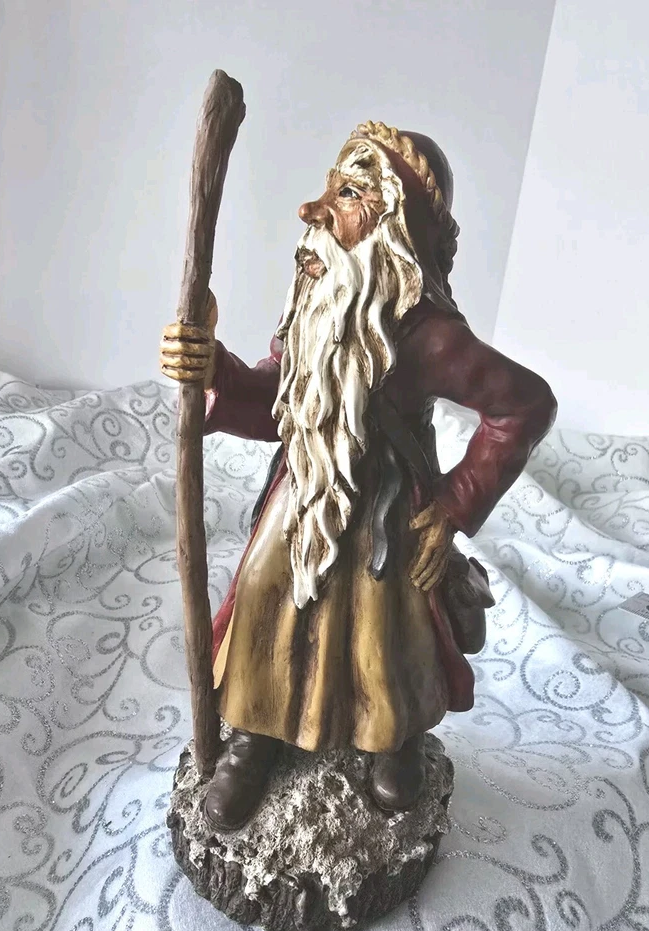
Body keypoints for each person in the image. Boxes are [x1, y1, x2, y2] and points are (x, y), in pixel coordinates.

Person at [160, 121, 557, 832]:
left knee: (386, 630)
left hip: (386, 508)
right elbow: (280, 397)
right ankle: (254, 734)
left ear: (394, 225)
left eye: (347, 194)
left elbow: (523, 405)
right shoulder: (317, 298)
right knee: (267, 596)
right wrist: (215, 370)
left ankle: (390, 738)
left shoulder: (428, 335)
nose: (314, 210)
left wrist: (455, 504)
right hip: (306, 494)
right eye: (329, 187)